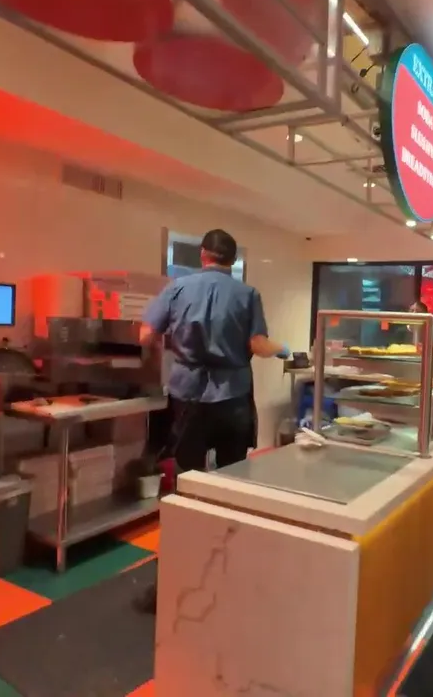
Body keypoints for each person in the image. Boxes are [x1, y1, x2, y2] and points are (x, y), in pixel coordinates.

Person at [134, 229, 287, 612]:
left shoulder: (177, 288)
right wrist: (285, 350)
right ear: (232, 261)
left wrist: (177, 345)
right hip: (233, 397)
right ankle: (229, 573)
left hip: (188, 397)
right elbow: (258, 345)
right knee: (233, 482)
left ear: (203, 255)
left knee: (186, 484)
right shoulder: (247, 294)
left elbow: (145, 334)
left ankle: (175, 578)